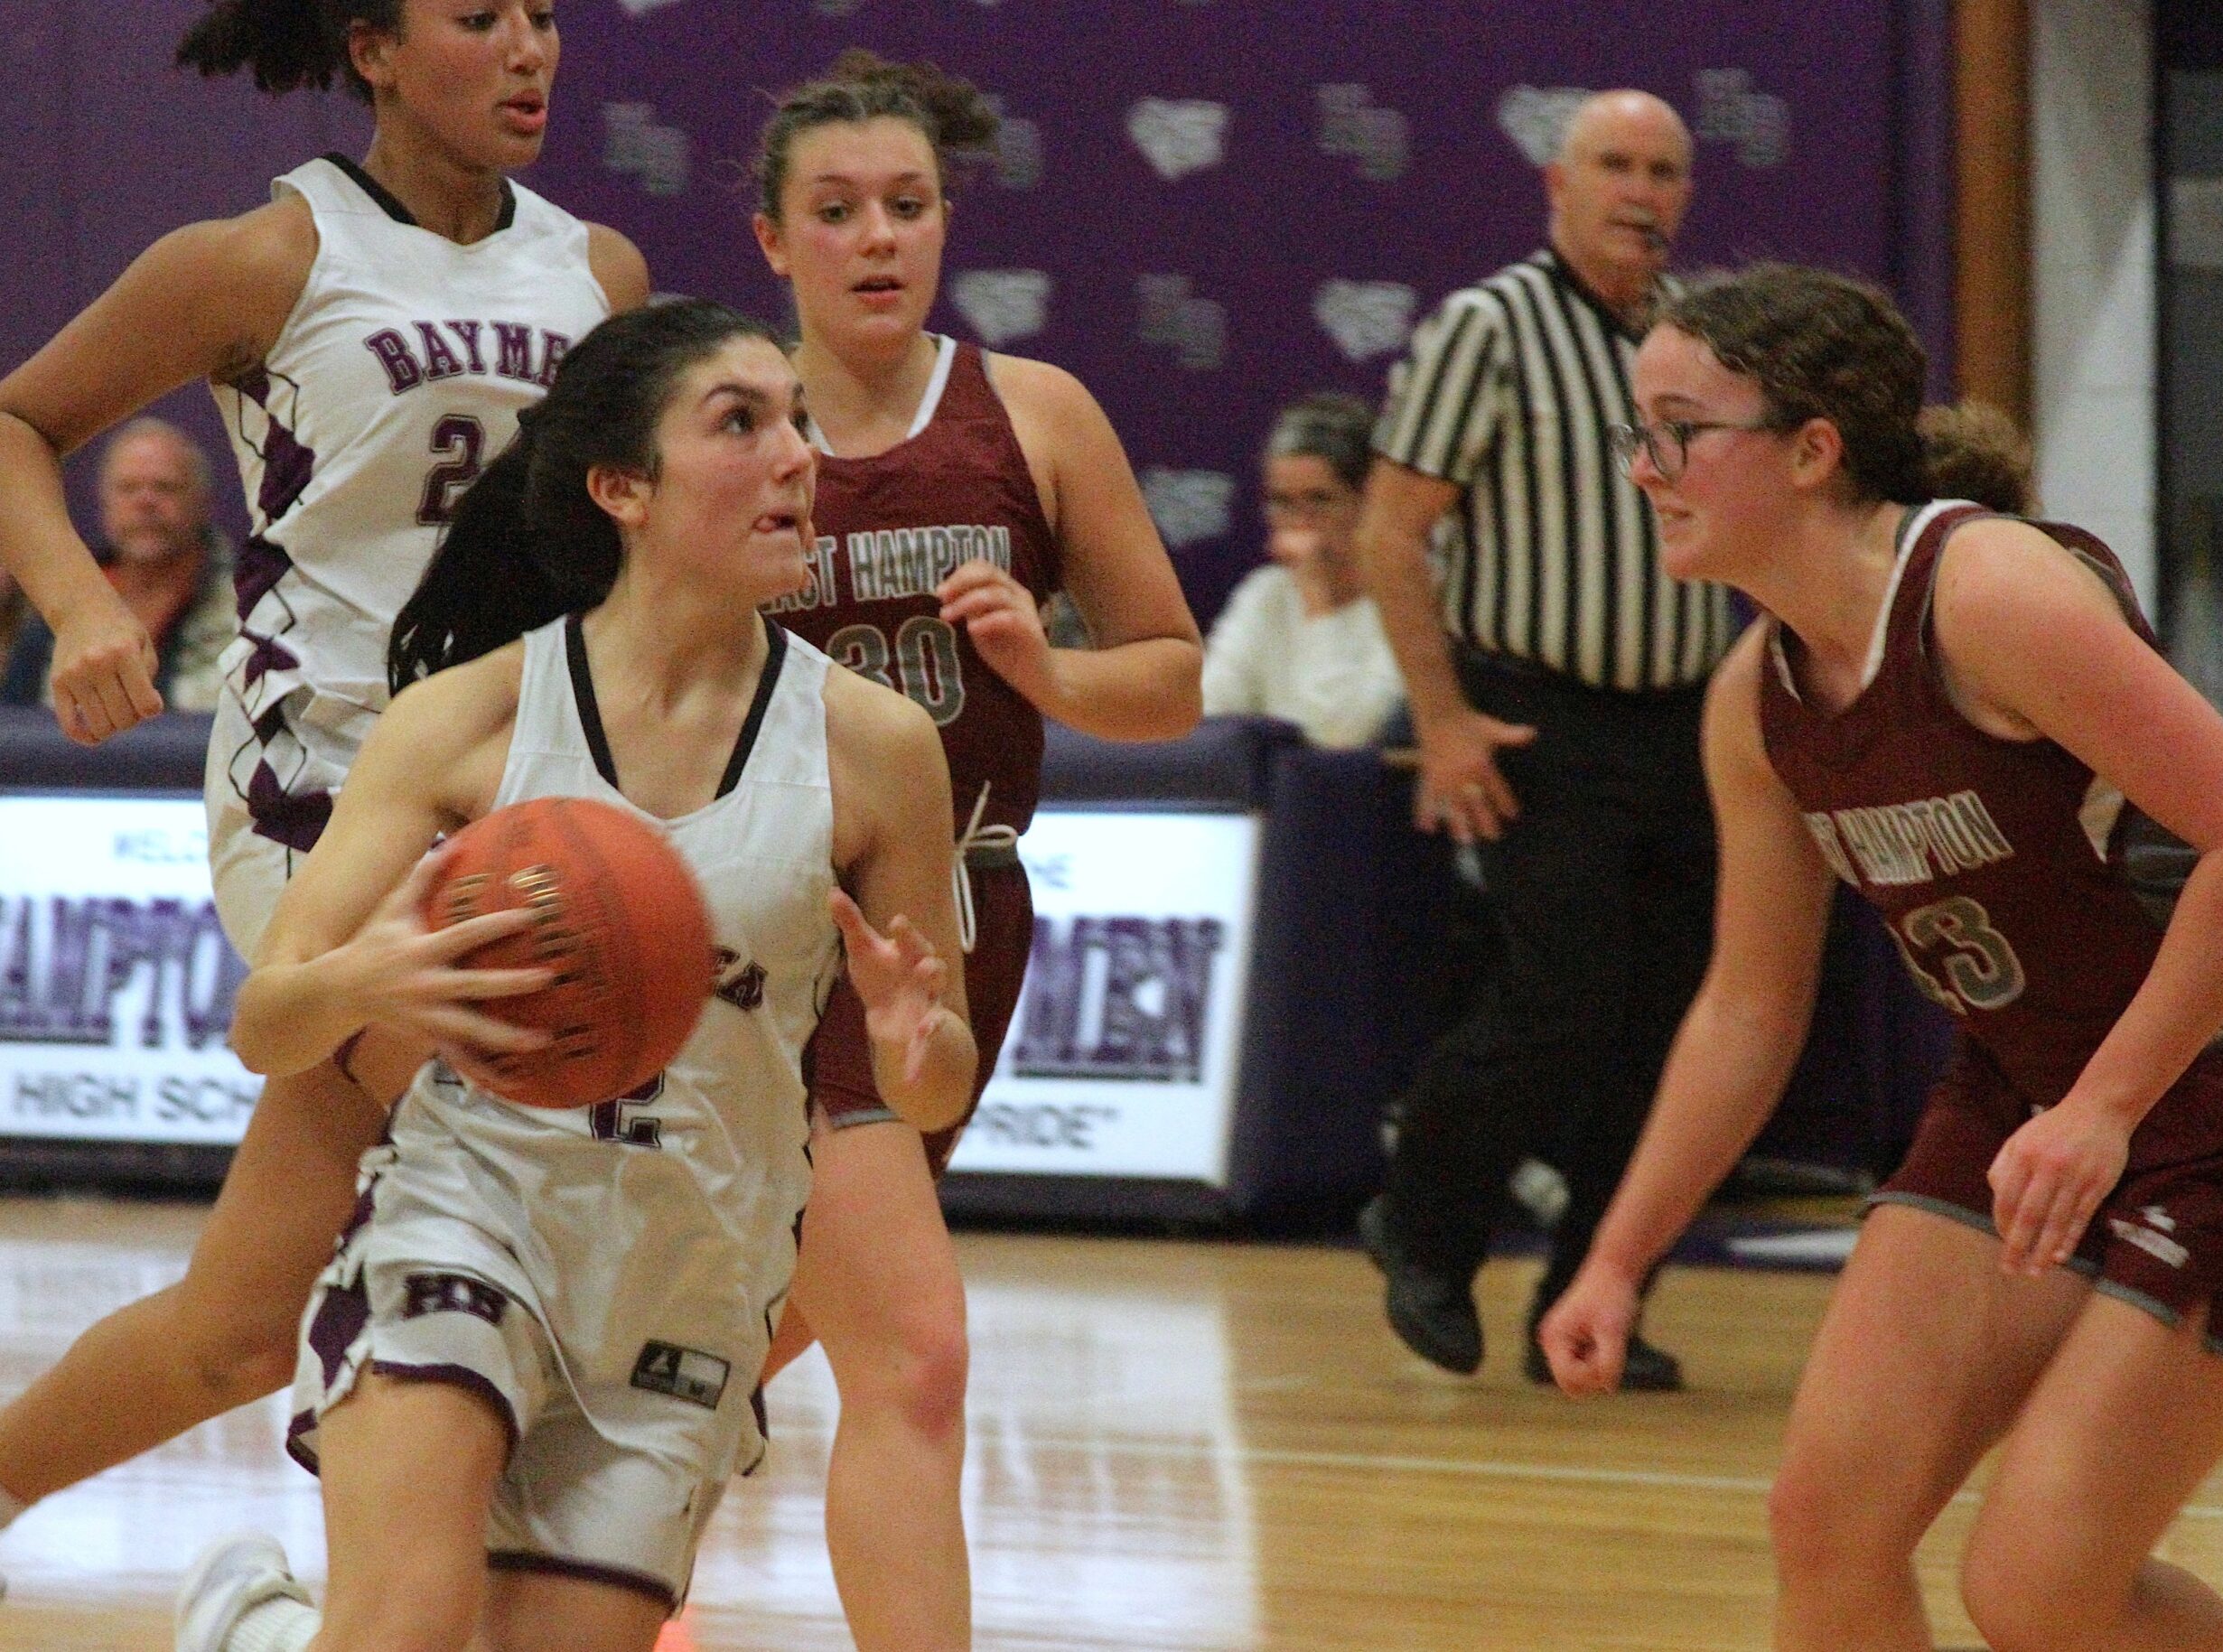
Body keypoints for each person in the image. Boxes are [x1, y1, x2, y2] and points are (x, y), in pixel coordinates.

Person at [173, 296, 976, 1652]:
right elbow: (267, 1023)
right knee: (409, 1619)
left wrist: (910, 1036)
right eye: (741, 423)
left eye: (796, 420)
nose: (796, 454)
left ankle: (249, 1634)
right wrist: (372, 979)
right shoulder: (471, 715)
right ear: (624, 489)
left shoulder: (877, 745)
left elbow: (936, 1082)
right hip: (471, 1210)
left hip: (691, 1278)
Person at [1541, 265, 2223, 1652]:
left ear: (1812, 447)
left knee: (2038, 1588)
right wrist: (1617, 1255)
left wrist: (2106, 1108)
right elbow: (1747, 1007)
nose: (1644, 467)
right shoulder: (1756, 698)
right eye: (1635, 431)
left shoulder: (1989, 593)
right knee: (1827, 1524)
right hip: (2036, 1085)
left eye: (1676, 429)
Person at [0, 0, 645, 1549]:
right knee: (491, 1151)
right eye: (479, 17)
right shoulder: (268, 258)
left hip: (531, 789)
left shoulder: (600, 273)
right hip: (321, 792)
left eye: (546, 16)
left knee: (233, 1323)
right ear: (370, 47)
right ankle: (393, 1551)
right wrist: (83, 599)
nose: (528, 49)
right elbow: (17, 418)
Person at [747, 51, 1203, 1652]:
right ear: (772, 241)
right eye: (838, 209)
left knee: (759, 1335)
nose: (878, 237)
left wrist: (1052, 675)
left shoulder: (1035, 414)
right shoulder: (729, 419)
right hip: (767, 923)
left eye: (909, 205)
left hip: (959, 914)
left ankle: (546, 1554)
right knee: (900, 1347)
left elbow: (1174, 673)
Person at [1354, 89, 1724, 1388]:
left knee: (1677, 1029)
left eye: (1665, 170)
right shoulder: (1489, 325)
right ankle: (1423, 1225)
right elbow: (1391, 533)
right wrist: (1445, 719)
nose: (1641, 191)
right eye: (1614, 164)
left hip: (1691, 723)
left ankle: (1595, 1300)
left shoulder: (1704, 342)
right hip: (1538, 714)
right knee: (1556, 996)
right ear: (1556, 186)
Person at [1200, 393, 1403, 748]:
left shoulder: (1409, 599)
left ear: (1368, 502)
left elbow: (1341, 735)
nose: (1300, 524)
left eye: (1320, 500)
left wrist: (1318, 604)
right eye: (1283, 503)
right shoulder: (1265, 593)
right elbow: (1207, 716)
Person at [1, 416, 238, 711]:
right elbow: (15, 729)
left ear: (201, 502)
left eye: (164, 487)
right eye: (128, 488)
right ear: (104, 503)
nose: (146, 501)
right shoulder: (60, 608)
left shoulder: (248, 605)